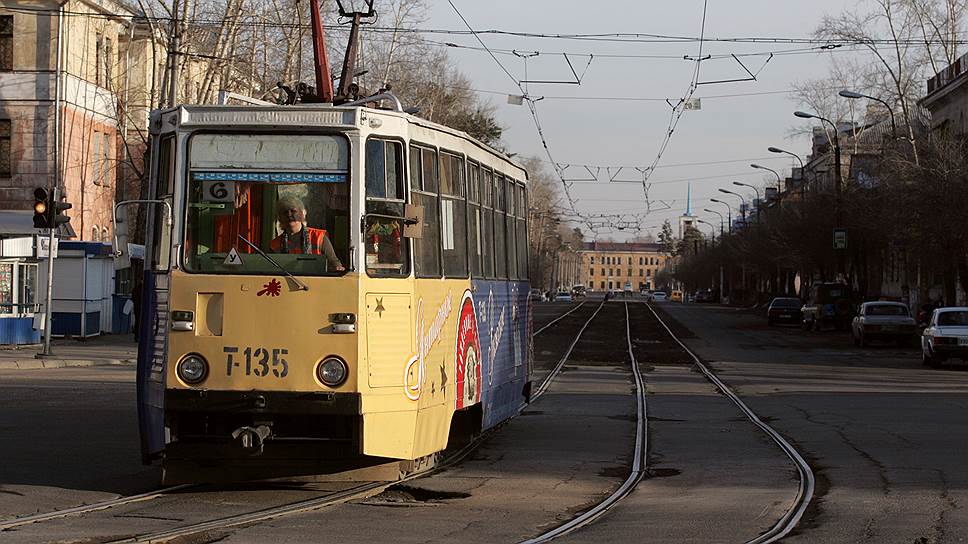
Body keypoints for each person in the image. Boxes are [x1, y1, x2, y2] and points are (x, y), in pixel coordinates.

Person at [270, 196, 344, 271]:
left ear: (302, 214)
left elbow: (334, 263)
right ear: (279, 218)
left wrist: (336, 268)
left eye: (293, 211)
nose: (289, 215)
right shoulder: (275, 244)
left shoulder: (319, 237)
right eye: (285, 212)